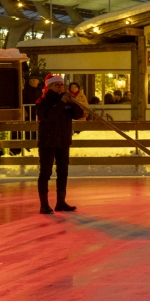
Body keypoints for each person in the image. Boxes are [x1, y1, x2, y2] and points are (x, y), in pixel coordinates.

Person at [36, 74, 83, 214]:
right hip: (48, 142)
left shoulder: (67, 101)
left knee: (63, 172)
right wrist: (62, 103)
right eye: (57, 85)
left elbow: (78, 114)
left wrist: (73, 102)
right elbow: (48, 117)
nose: (60, 87)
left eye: (61, 85)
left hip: (63, 141)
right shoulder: (42, 101)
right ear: (49, 86)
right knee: (46, 172)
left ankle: (61, 202)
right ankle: (44, 204)